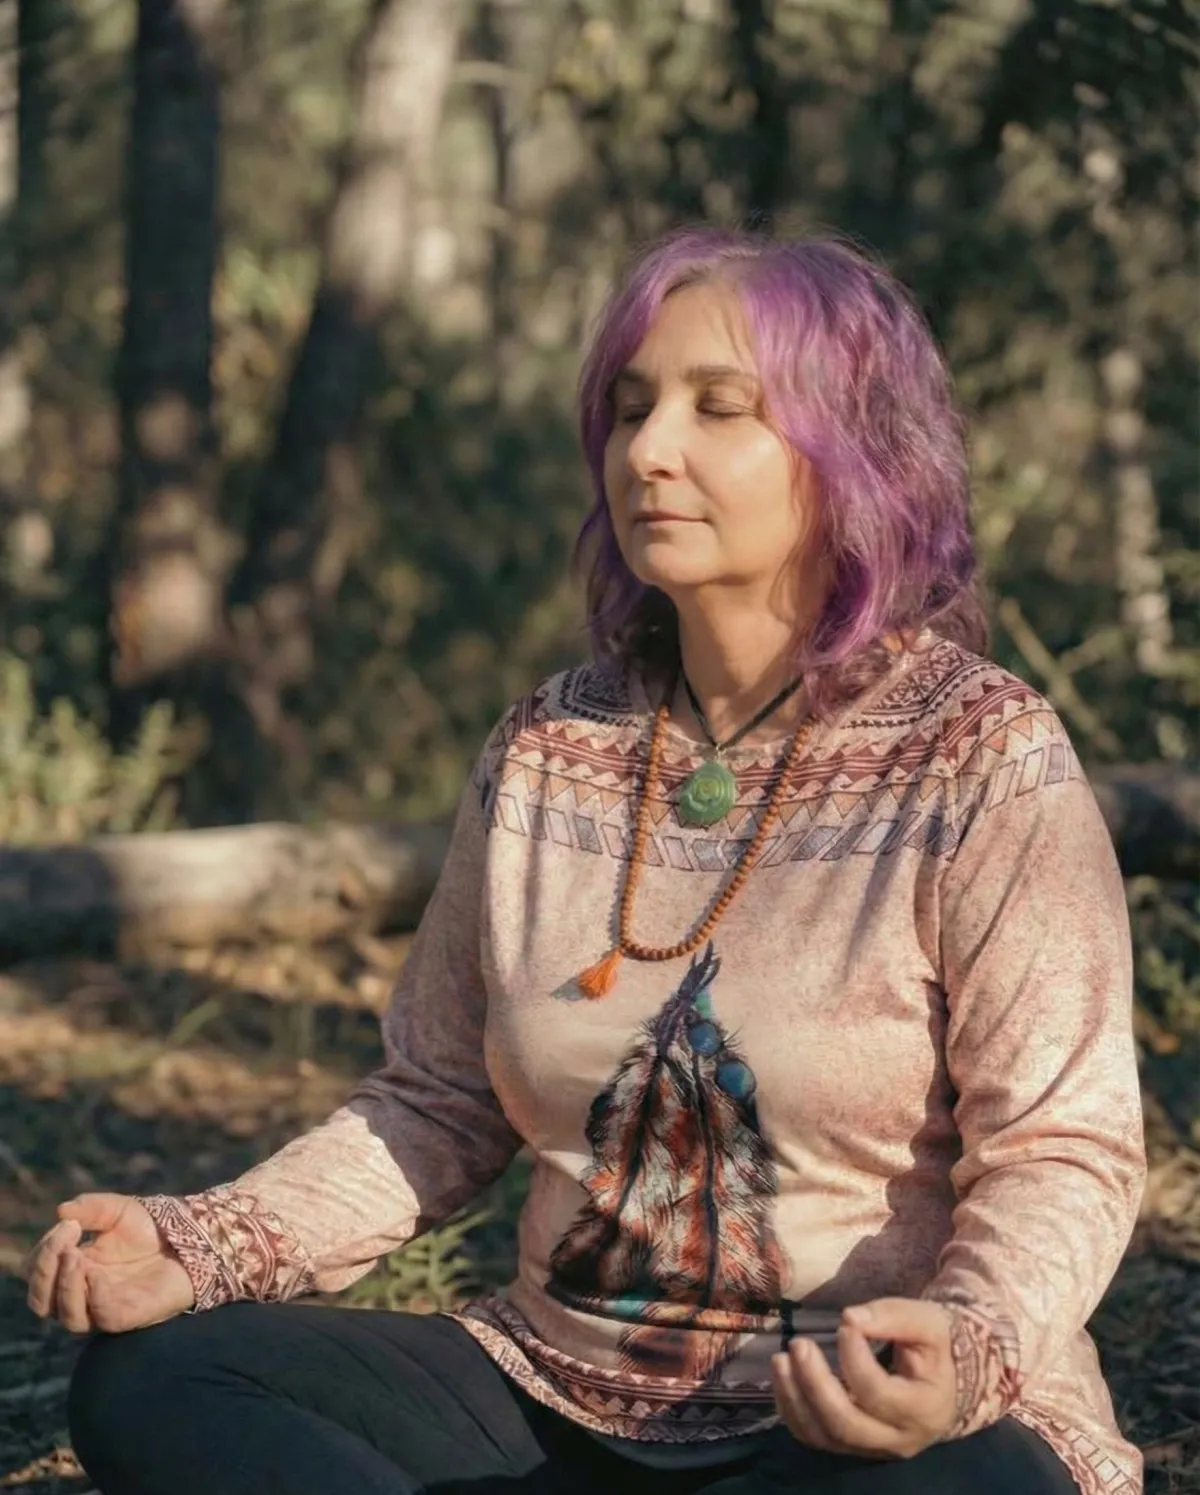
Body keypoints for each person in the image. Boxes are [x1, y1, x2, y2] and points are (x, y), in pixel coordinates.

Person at [24, 227, 1145, 1495]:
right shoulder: (550, 747)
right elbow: (434, 1103)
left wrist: (967, 1348)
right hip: (552, 1399)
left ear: (856, 451)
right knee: (161, 1376)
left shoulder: (980, 755)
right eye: (629, 406)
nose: (648, 449)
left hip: (854, 1433)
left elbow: (1063, 1150)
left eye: (719, 407)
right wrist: (201, 1246)